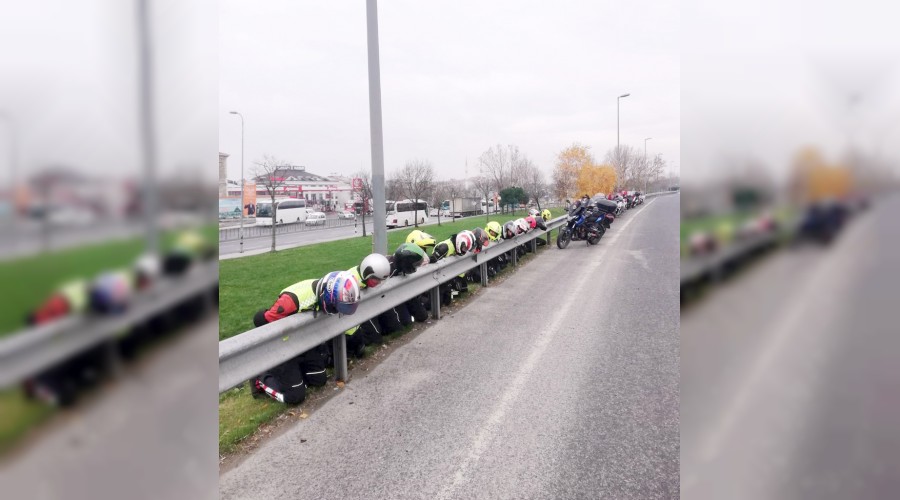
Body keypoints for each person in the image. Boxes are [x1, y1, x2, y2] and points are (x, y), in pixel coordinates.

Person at [251, 271, 361, 404]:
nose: (336, 309)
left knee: (319, 380)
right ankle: (259, 377)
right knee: (295, 396)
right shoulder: (291, 301)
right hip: (282, 347)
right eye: (336, 305)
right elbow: (260, 320)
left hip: (304, 342)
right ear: (327, 296)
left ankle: (295, 375)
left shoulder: (326, 293)